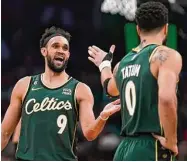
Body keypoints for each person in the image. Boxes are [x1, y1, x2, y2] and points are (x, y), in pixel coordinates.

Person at [1, 26, 121, 161]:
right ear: (44, 51)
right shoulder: (24, 85)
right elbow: (4, 133)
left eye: (65, 48)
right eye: (55, 46)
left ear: (68, 55)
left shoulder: (80, 89)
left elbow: (90, 134)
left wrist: (102, 117)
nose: (61, 51)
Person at [88, 1, 182, 161]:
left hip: (124, 149)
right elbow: (166, 98)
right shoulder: (166, 56)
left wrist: (104, 64)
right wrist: (172, 141)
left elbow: (110, 88)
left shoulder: (123, 62)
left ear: (138, 30)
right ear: (166, 28)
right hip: (151, 147)